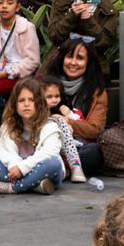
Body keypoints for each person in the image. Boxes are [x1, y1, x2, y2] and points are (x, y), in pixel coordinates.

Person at [0, 78, 64, 195]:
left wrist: (22, 169)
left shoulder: (50, 126)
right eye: (21, 100)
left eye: (32, 100)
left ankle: (12, 188)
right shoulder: (8, 126)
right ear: (14, 104)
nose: (26, 104)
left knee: (53, 163)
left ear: (39, 103)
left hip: (41, 169)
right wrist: (15, 166)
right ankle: (35, 185)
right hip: (17, 170)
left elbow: (49, 153)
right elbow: (1, 151)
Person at [39, 36, 107, 176]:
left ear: (88, 63)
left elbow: (95, 129)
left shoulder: (97, 91)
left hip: (75, 145)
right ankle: (59, 169)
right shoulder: (45, 83)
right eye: (69, 57)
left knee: (93, 153)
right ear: (62, 58)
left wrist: (67, 121)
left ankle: (50, 169)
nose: (73, 63)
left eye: (80, 58)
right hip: (42, 139)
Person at [47, 0, 117, 71]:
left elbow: (106, 42)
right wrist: (71, 15)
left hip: (94, 65)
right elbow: (54, 36)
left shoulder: (105, 6)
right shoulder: (61, 3)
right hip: (62, 62)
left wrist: (89, 20)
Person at [0, 0, 40, 96]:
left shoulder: (27, 27)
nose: (4, 6)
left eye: (10, 3)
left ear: (18, 7)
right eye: (0, 2)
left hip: (21, 75)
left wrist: (7, 72)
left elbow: (33, 60)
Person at [40, 75, 86, 182]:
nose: (54, 100)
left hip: (66, 147)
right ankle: (61, 172)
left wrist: (68, 117)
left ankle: (75, 167)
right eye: (49, 97)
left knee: (91, 152)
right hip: (45, 149)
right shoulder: (36, 112)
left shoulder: (63, 109)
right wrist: (51, 119)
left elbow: (80, 121)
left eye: (57, 96)